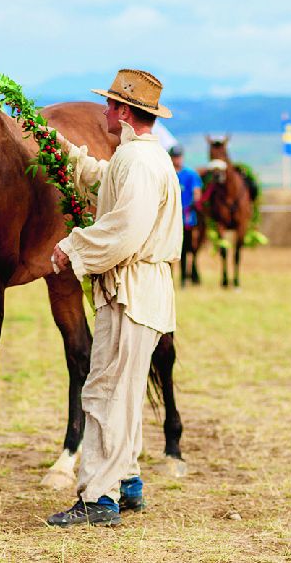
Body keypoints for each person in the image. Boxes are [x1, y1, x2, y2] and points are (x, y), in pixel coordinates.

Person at [47, 69, 182, 527]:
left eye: (109, 105)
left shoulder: (141, 163)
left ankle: (97, 498)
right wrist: (62, 152)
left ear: (124, 112)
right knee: (120, 391)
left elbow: (124, 229)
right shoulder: (139, 157)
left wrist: (72, 247)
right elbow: (106, 180)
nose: (103, 111)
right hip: (137, 290)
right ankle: (127, 482)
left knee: (105, 391)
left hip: (132, 291)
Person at [171, 144, 203, 286]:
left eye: (178, 157)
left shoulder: (190, 174)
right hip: (170, 218)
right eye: (174, 157)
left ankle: (184, 278)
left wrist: (194, 204)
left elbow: (197, 192)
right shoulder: (168, 172)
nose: (176, 159)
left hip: (186, 217)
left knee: (185, 249)